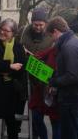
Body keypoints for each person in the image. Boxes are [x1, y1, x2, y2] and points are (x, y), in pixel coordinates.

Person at [46, 16, 78, 139]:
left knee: (72, 133)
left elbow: (73, 75)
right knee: (74, 131)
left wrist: (53, 81)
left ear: (55, 31)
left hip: (71, 99)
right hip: (73, 97)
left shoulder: (69, 46)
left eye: (51, 36)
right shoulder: (72, 42)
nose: (52, 40)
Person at [16, 8, 54, 139]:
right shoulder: (22, 32)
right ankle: (15, 131)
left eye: (41, 25)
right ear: (32, 23)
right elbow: (15, 47)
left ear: (46, 24)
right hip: (23, 78)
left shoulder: (51, 36)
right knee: (19, 108)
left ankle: (36, 135)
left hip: (41, 80)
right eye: (35, 24)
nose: (38, 27)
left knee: (37, 114)